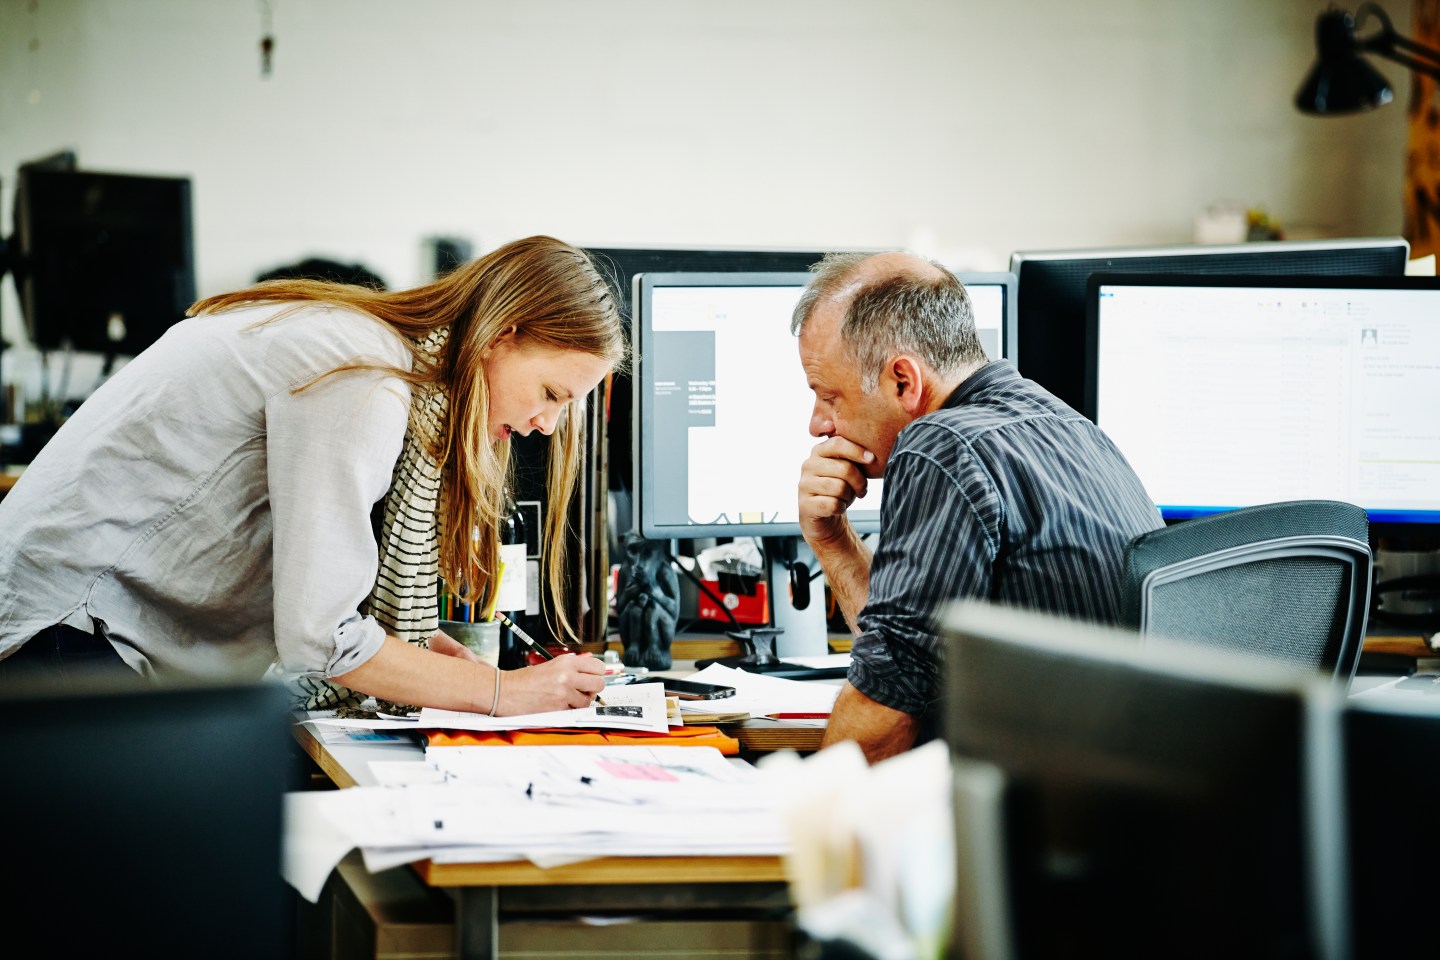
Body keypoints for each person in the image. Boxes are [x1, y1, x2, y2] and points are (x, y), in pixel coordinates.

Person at [0, 235, 620, 716]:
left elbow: (321, 588)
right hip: (63, 641)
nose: (546, 425)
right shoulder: (360, 377)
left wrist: (421, 653)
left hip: (83, 639)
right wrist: (503, 692)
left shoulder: (372, 351)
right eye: (551, 393)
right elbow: (321, 639)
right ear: (499, 336)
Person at [794, 251, 1163, 762]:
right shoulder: (1070, 426)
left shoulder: (940, 445)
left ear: (903, 381)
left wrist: (795, 810)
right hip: (1113, 785)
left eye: (828, 396)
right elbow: (901, 651)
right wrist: (833, 541)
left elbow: (888, 701)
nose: (817, 424)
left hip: (1039, 799)